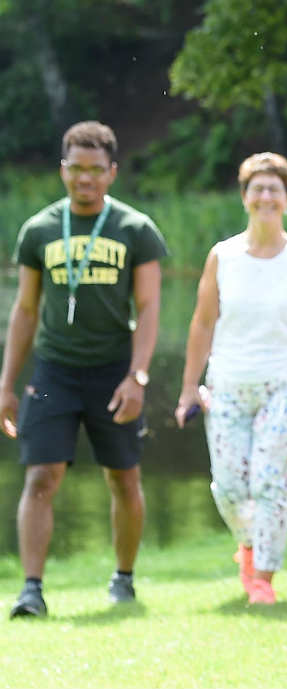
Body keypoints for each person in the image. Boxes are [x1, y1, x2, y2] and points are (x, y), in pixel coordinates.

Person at [4, 122, 165, 618]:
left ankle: (124, 578)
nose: (86, 180)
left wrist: (137, 376)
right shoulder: (39, 229)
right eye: (77, 169)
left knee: (123, 479)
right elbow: (26, 311)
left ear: (112, 173)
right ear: (63, 170)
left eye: (96, 170)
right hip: (53, 372)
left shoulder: (136, 229)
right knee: (42, 478)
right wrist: (6, 384)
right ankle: (32, 589)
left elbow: (150, 306)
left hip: (113, 371)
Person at [175, 153, 287, 605]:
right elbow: (202, 324)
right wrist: (189, 386)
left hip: (286, 384)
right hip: (226, 384)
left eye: (274, 188)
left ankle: (261, 577)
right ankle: (248, 543)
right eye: (257, 188)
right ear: (244, 197)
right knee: (227, 486)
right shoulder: (222, 256)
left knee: (270, 483)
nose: (266, 196)